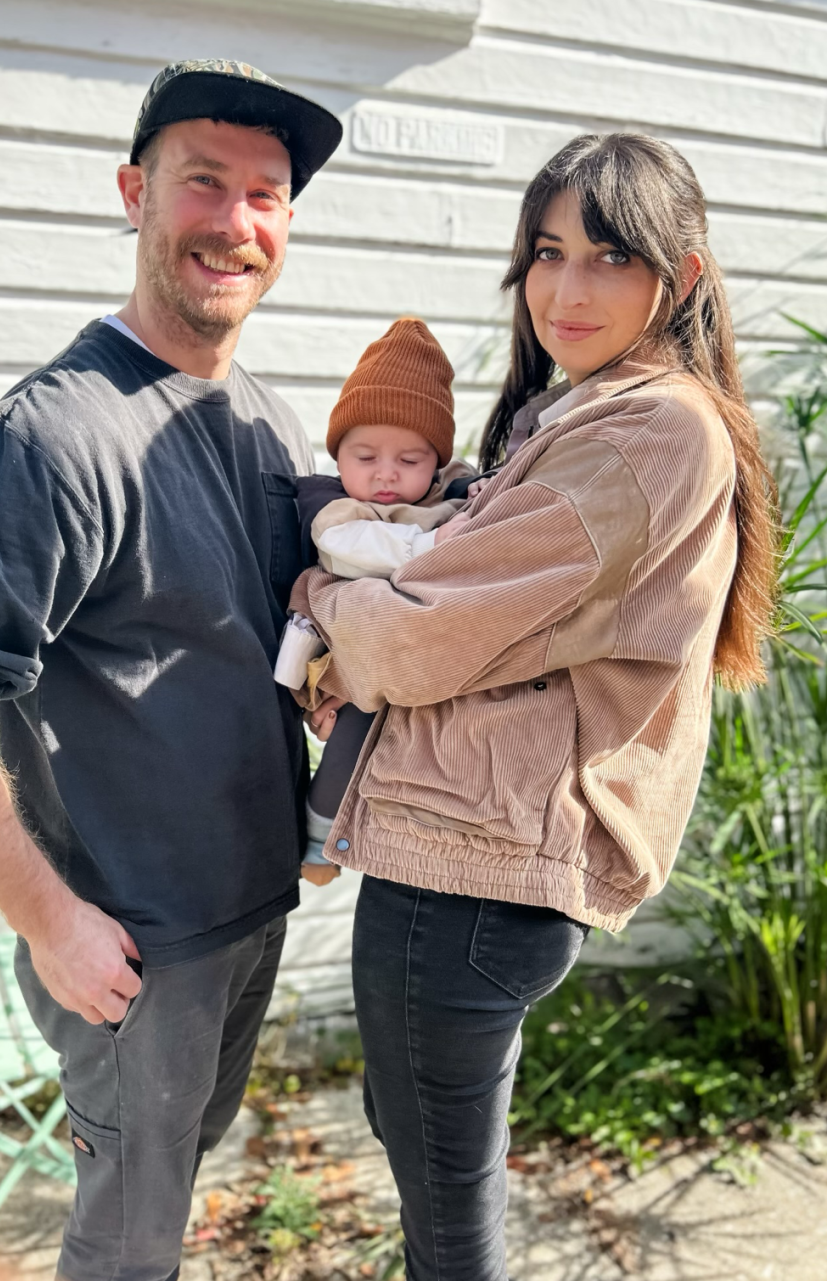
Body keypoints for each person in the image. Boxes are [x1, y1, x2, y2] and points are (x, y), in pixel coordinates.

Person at [0, 60, 342, 1281]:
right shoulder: (52, 438)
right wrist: (46, 918)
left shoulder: (265, 424)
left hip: (250, 911)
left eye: (267, 194)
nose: (235, 222)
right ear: (135, 193)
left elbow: (271, 639)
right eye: (203, 183)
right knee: (127, 1248)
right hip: (138, 951)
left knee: (172, 1194)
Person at [291, 133, 780, 1280]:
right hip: (471, 865)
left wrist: (318, 600)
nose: (567, 289)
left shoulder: (650, 429)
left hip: (473, 876)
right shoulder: (581, 412)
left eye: (610, 256)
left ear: (685, 277)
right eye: (547, 252)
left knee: (448, 1228)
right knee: (429, 1171)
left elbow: (410, 636)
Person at [273, 317, 475, 885]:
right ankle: (318, 841)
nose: (386, 475)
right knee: (351, 735)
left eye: (409, 461)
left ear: (435, 463)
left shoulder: (451, 494)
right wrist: (435, 543)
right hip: (337, 653)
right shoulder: (335, 505)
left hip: (422, 656)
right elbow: (346, 551)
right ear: (339, 456)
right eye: (366, 457)